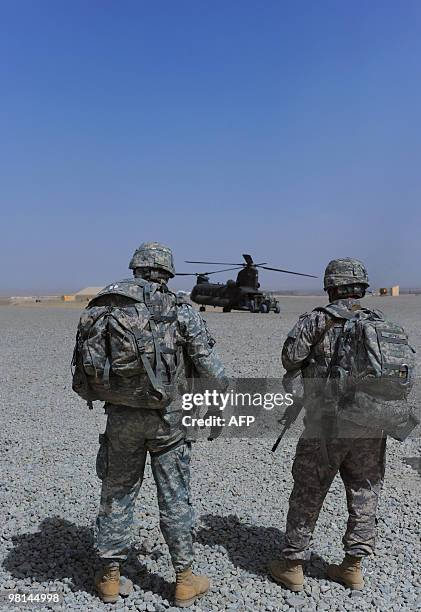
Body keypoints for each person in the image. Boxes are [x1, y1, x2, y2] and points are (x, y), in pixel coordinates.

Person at [91, 242, 227, 606]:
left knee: (117, 494)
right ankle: (184, 579)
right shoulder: (180, 309)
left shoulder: (107, 304)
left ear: (135, 268)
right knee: (175, 498)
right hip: (169, 421)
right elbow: (211, 368)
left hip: (121, 418)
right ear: (166, 273)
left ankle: (109, 577)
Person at [269, 258, 386, 592]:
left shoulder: (317, 320)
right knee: (365, 490)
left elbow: (290, 359)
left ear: (331, 286)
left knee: (308, 489)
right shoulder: (379, 323)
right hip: (369, 423)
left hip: (326, 424)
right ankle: (353, 566)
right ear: (361, 287)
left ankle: (292, 565)